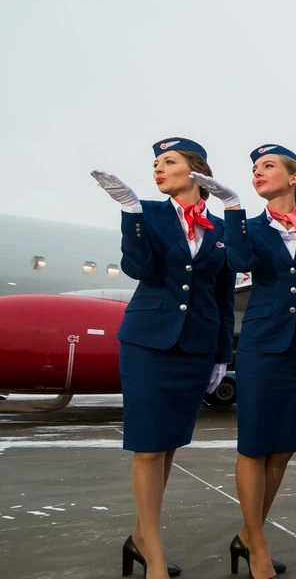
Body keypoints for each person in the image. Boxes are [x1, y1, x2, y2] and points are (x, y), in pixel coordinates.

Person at [91, 137, 235, 579]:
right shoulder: (148, 214)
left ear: (195, 171)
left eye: (168, 161)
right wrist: (130, 212)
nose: (157, 169)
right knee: (149, 447)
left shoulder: (220, 228)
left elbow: (223, 295)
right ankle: (153, 557)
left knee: (170, 445)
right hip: (149, 343)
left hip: (195, 347)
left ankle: (139, 540)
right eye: (155, 163)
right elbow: (137, 268)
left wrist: (221, 356)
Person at [191, 144, 296, 579]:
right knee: (254, 448)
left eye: (268, 166)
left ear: (295, 178)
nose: (258, 172)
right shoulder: (249, 228)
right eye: (254, 168)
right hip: (261, 348)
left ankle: (247, 533)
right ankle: (257, 545)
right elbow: (240, 261)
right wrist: (232, 208)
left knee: (285, 449)